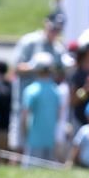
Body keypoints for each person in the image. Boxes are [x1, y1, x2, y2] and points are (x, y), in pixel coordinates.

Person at [11, 10, 66, 149]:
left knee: (43, 148)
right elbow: (16, 67)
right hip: (24, 104)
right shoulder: (29, 41)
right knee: (19, 145)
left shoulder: (58, 49)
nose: (54, 32)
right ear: (45, 23)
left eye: (58, 29)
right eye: (53, 28)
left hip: (45, 108)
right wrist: (38, 68)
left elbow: (59, 75)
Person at [20, 52, 63, 166]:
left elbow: (25, 115)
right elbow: (58, 115)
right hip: (50, 138)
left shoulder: (31, 90)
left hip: (34, 139)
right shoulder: (56, 90)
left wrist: (24, 134)